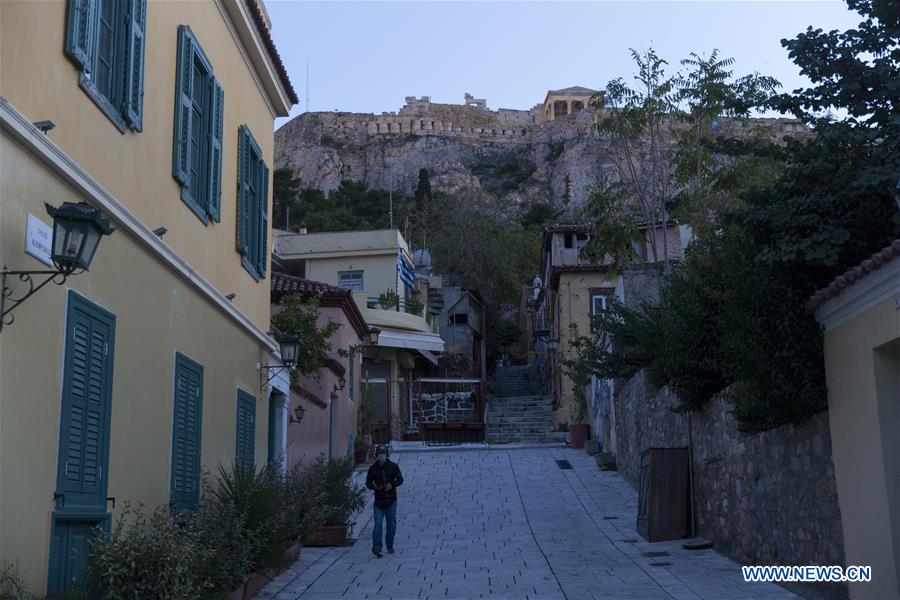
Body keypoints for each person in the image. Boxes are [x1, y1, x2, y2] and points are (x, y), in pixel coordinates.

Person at [365, 444, 403, 557]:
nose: (381, 456)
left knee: (391, 524)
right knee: (378, 524)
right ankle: (377, 547)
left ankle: (389, 544)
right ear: (376, 455)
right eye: (379, 454)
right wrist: (374, 486)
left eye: (383, 454)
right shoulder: (372, 469)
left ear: (386, 455)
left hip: (391, 500)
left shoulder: (393, 466)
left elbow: (400, 479)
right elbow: (368, 483)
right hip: (379, 502)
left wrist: (392, 485)